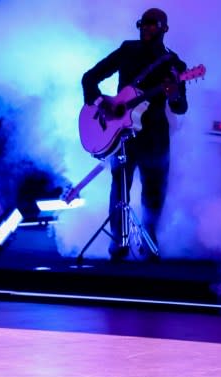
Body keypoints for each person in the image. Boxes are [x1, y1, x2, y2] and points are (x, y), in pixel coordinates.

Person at [81, 7, 188, 260]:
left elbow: (180, 107)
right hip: (121, 134)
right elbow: (89, 78)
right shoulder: (128, 50)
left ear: (164, 28)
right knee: (119, 187)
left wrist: (174, 93)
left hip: (155, 134)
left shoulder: (174, 64)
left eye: (152, 23)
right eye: (142, 23)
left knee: (155, 189)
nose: (145, 28)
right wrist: (100, 104)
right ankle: (119, 242)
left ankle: (149, 242)